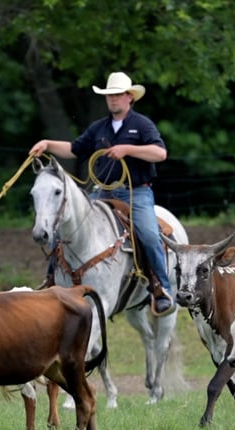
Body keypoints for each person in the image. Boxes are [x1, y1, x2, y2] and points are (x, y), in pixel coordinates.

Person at [29, 71, 175, 316]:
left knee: (149, 234)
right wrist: (47, 144)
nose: (113, 99)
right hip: (103, 192)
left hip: (135, 194)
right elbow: (75, 149)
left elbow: (160, 154)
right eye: (110, 95)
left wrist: (127, 149)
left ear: (129, 97)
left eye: (118, 95)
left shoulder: (141, 125)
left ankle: (160, 288)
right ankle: (53, 278)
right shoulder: (99, 127)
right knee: (66, 226)